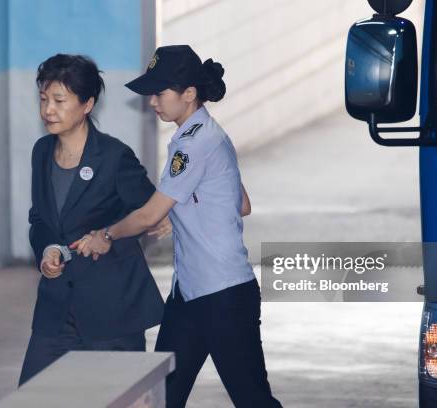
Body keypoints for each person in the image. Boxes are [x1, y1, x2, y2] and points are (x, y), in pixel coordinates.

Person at [70, 45, 282, 407]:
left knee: (252, 400)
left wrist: (105, 235)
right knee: (161, 397)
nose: (153, 101)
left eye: (160, 92)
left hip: (223, 295)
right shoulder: (212, 134)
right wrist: (183, 210)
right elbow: (240, 204)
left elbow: (150, 214)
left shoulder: (193, 143)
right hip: (189, 296)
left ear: (189, 94)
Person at [18, 54, 166, 386]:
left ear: (87, 104)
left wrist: (109, 236)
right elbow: (39, 218)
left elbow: (151, 213)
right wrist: (46, 250)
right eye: (43, 100)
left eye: (59, 100)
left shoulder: (114, 157)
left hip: (111, 307)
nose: (48, 110)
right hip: (56, 309)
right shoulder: (41, 152)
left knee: (120, 397)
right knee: (32, 395)